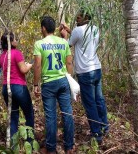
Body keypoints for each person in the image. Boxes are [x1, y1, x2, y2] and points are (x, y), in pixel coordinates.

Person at [60, 9, 109, 144]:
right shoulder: (95, 29)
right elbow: (81, 38)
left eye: (79, 17)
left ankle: (96, 133)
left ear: (85, 17)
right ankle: (104, 127)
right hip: (96, 68)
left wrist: (64, 36)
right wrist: (70, 31)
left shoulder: (78, 31)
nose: (76, 18)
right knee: (99, 99)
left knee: (90, 103)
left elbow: (68, 45)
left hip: (85, 72)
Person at [33, 16, 74, 154]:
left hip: (48, 83)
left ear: (43, 28)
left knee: (51, 116)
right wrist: (70, 79)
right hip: (63, 81)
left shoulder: (39, 44)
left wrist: (35, 84)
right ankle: (69, 146)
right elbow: (69, 63)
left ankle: (51, 148)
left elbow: (37, 65)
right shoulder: (63, 42)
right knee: (67, 113)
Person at [0, 31, 34, 139]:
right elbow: (23, 70)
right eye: (14, 39)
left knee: (13, 116)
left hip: (6, 88)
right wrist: (30, 64)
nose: (16, 41)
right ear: (10, 42)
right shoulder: (16, 53)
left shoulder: (2, 56)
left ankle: (12, 145)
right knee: (29, 113)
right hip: (18, 87)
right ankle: (30, 140)